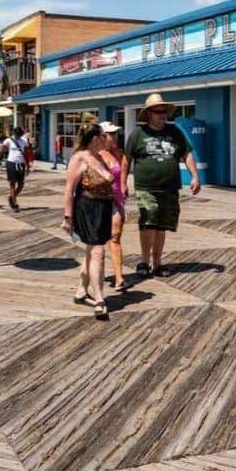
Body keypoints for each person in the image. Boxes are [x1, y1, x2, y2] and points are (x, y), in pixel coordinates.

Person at [121, 92, 201, 279]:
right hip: (146, 188)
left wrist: (195, 177)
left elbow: (187, 154)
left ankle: (157, 263)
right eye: (158, 111)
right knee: (148, 222)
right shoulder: (137, 135)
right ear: (149, 114)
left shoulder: (175, 132)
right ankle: (143, 261)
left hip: (170, 188)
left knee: (161, 226)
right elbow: (126, 160)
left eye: (164, 111)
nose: (162, 115)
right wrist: (122, 183)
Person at [62, 122, 115, 319]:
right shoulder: (79, 158)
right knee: (98, 253)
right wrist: (68, 218)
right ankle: (100, 299)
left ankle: (81, 291)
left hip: (103, 209)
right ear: (94, 139)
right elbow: (69, 190)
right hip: (87, 209)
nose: (107, 139)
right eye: (103, 136)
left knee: (91, 252)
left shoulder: (99, 157)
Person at [98, 120, 130, 294]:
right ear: (102, 136)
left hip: (116, 201)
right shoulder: (95, 155)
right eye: (111, 134)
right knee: (97, 243)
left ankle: (119, 278)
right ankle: (91, 278)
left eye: (115, 133)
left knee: (115, 237)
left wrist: (124, 186)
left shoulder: (118, 152)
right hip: (99, 202)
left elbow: (122, 171)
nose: (115, 136)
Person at [0, 125, 30, 211]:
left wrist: (27, 167)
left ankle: (12, 197)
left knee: (21, 185)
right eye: (16, 134)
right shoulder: (8, 140)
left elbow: (26, 154)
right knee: (12, 184)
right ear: (14, 133)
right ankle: (14, 204)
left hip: (21, 164)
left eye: (19, 134)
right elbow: (1, 152)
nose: (17, 136)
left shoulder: (24, 141)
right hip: (11, 163)